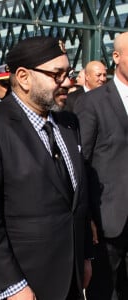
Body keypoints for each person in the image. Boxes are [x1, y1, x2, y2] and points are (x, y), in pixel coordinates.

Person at [0, 36, 93, 300]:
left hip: (71, 276)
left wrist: (85, 255)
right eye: (57, 74)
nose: (67, 82)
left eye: (69, 73)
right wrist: (13, 284)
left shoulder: (69, 123)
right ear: (23, 77)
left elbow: (77, 199)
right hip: (23, 283)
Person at [74, 32, 128, 300]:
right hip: (109, 220)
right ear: (116, 57)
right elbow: (81, 163)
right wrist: (89, 219)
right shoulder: (92, 102)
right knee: (106, 291)